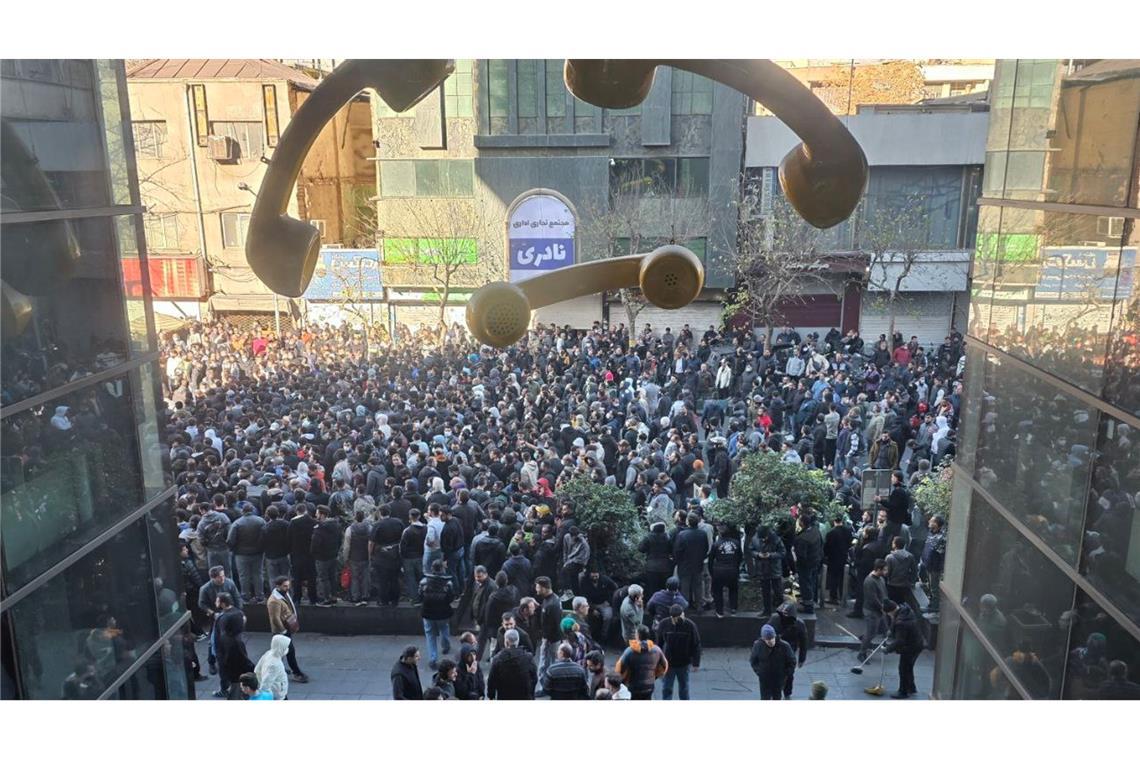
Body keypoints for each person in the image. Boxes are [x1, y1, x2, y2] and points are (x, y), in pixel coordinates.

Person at [265, 576, 308, 682]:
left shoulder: (283, 594)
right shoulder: (274, 601)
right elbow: (275, 618)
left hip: (286, 627)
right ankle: (296, 672)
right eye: (285, 586)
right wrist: (283, 631)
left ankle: (276, 670)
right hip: (281, 630)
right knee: (290, 651)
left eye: (288, 585)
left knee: (279, 653)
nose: (287, 588)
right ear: (278, 586)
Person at [656, 605, 701, 700]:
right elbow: (659, 643)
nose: (679, 620)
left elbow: (696, 644)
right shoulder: (664, 624)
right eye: (676, 618)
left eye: (680, 616)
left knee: (684, 688)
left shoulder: (690, 625)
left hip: (684, 663)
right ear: (671, 617)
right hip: (668, 662)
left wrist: (696, 663)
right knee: (667, 687)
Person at [214, 592, 253, 699]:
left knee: (234, 684)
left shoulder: (224, 618)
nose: (215, 602)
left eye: (217, 600)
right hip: (235, 654)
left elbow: (221, 638)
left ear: (222, 603)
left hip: (228, 656)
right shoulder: (238, 613)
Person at [882, 599, 924, 698]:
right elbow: (895, 620)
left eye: (888, 614)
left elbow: (900, 641)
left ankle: (903, 691)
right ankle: (911, 687)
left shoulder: (901, 623)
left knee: (903, 668)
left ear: (891, 611)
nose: (889, 616)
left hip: (910, 647)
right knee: (909, 667)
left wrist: (887, 649)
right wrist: (891, 630)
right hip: (917, 643)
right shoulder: (905, 610)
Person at [420, 558, 456, 670]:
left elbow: (420, 596)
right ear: (442, 569)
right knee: (444, 629)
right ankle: (445, 646)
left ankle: (433, 658)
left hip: (428, 612)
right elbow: (451, 597)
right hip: (443, 612)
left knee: (430, 635)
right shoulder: (448, 583)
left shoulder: (424, 582)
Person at [616, 625, 669, 700]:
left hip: (633, 686)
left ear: (637, 635)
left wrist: (623, 681)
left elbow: (620, 669)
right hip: (649, 686)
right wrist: (654, 676)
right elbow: (664, 666)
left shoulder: (630, 651)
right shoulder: (657, 650)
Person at [767, 602, 808, 699]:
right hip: (775, 650)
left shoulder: (799, 625)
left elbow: (804, 642)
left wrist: (802, 658)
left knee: (789, 674)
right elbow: (765, 634)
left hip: (790, 652)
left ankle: (787, 693)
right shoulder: (774, 620)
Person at [486, 628, 537, 700]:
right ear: (518, 641)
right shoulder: (528, 658)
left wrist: (491, 695)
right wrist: (531, 693)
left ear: (506, 641)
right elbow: (534, 678)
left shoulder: (498, 659)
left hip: (504, 695)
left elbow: (492, 679)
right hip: (524, 695)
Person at [750, 624, 796, 700]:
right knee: (765, 698)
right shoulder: (758, 645)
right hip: (764, 678)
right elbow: (753, 660)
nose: (770, 641)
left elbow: (792, 661)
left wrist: (786, 673)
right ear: (763, 639)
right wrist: (760, 672)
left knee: (777, 697)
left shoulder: (784, 646)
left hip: (778, 678)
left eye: (772, 638)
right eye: (768, 640)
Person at [534, 576, 563, 692]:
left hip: (550, 639)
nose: (536, 589)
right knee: (549, 663)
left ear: (544, 588)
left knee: (545, 663)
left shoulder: (552, 604)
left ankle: (544, 688)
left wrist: (547, 640)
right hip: (551, 638)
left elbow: (555, 623)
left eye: (538, 587)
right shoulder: (551, 599)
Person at [750, 526, 785, 616]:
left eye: (765, 538)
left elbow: (782, 552)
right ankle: (767, 610)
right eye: (762, 538)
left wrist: (771, 555)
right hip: (762, 568)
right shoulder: (755, 538)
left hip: (774, 568)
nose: (763, 539)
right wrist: (758, 555)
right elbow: (751, 550)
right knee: (765, 591)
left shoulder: (776, 538)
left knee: (778, 592)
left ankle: (781, 611)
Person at [709, 524, 743, 616]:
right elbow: (740, 557)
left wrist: (711, 572)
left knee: (718, 591)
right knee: (733, 589)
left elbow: (711, 559)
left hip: (719, 570)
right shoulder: (736, 543)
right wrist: (736, 567)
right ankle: (733, 608)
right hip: (732, 569)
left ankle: (719, 611)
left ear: (720, 534)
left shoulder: (716, 544)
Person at [859, 559, 889, 661]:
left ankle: (864, 639)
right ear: (878, 569)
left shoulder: (881, 579)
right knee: (871, 632)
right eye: (884, 570)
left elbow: (883, 594)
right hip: (872, 611)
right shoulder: (869, 581)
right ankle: (862, 653)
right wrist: (882, 608)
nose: (886, 572)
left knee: (883, 629)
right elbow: (872, 598)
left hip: (880, 610)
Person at [793, 513, 823, 613]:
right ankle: (811, 601)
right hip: (815, 562)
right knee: (812, 583)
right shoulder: (816, 531)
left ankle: (808, 607)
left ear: (802, 523)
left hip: (805, 566)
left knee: (806, 585)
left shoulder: (802, 538)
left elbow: (801, 556)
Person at [823, 516, 853, 606]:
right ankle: (842, 596)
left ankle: (833, 597)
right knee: (842, 578)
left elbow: (827, 547)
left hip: (833, 558)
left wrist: (826, 555)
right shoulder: (848, 531)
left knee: (833, 578)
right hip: (843, 557)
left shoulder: (831, 533)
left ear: (834, 521)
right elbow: (850, 543)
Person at [919, 515, 946, 613]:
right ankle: (931, 604)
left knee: (934, 588)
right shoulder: (930, 533)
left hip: (934, 568)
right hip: (927, 565)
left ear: (937, 524)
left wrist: (938, 568)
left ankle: (935, 608)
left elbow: (941, 556)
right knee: (930, 586)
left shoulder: (941, 538)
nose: (930, 521)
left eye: (932, 521)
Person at [253, 635, 290, 700]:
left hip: (277, 691)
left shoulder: (269, 653)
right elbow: (265, 685)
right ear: (280, 647)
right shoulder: (275, 664)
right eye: (285, 647)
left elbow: (257, 669)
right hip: (277, 694)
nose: (287, 649)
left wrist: (259, 680)